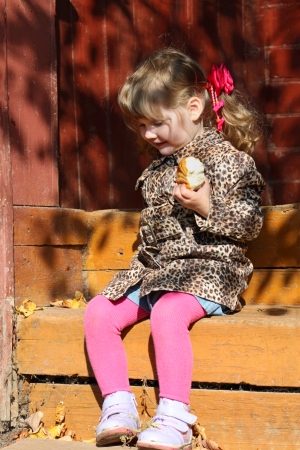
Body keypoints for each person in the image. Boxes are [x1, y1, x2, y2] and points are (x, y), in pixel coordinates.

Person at [84, 48, 265, 450]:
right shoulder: (161, 167)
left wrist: (207, 209)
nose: (148, 134)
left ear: (194, 107)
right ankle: (119, 407)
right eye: (142, 125)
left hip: (210, 270)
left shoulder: (229, 161)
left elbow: (251, 223)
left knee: (167, 312)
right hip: (156, 271)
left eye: (157, 122)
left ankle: (174, 417)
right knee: (98, 312)